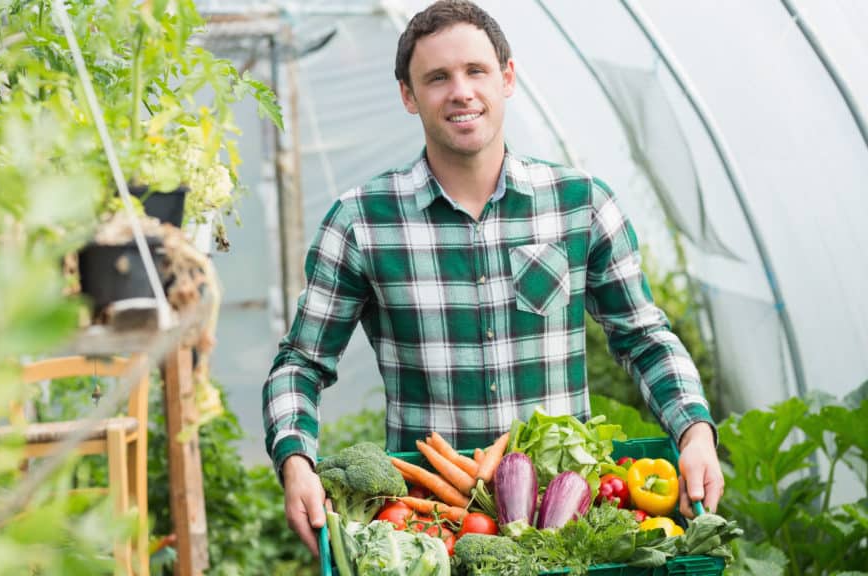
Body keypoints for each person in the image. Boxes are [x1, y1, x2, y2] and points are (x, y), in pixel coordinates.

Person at [262, 0, 723, 556]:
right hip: (431, 529)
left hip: (566, 522)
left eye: (475, 70)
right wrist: (296, 460)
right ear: (409, 96)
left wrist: (695, 431)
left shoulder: (581, 205)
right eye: (437, 78)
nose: (460, 91)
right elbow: (301, 364)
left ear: (506, 77)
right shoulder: (362, 222)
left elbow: (643, 338)